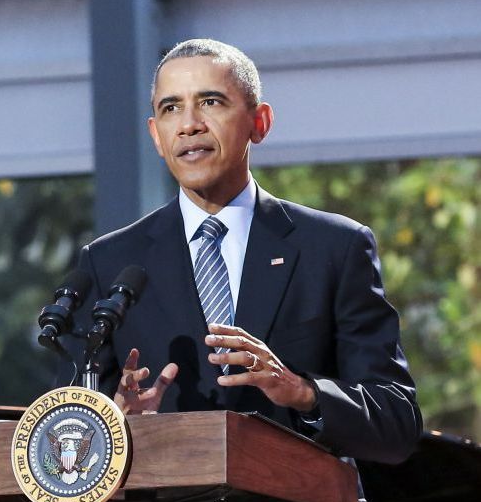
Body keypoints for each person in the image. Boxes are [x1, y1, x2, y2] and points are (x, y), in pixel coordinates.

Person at [61, 39, 421, 476]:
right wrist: (113, 425)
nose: (189, 125)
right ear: (156, 135)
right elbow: (67, 444)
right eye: (172, 108)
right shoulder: (109, 262)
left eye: (210, 102)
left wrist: (302, 392)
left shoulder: (334, 247)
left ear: (259, 122)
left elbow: (398, 422)